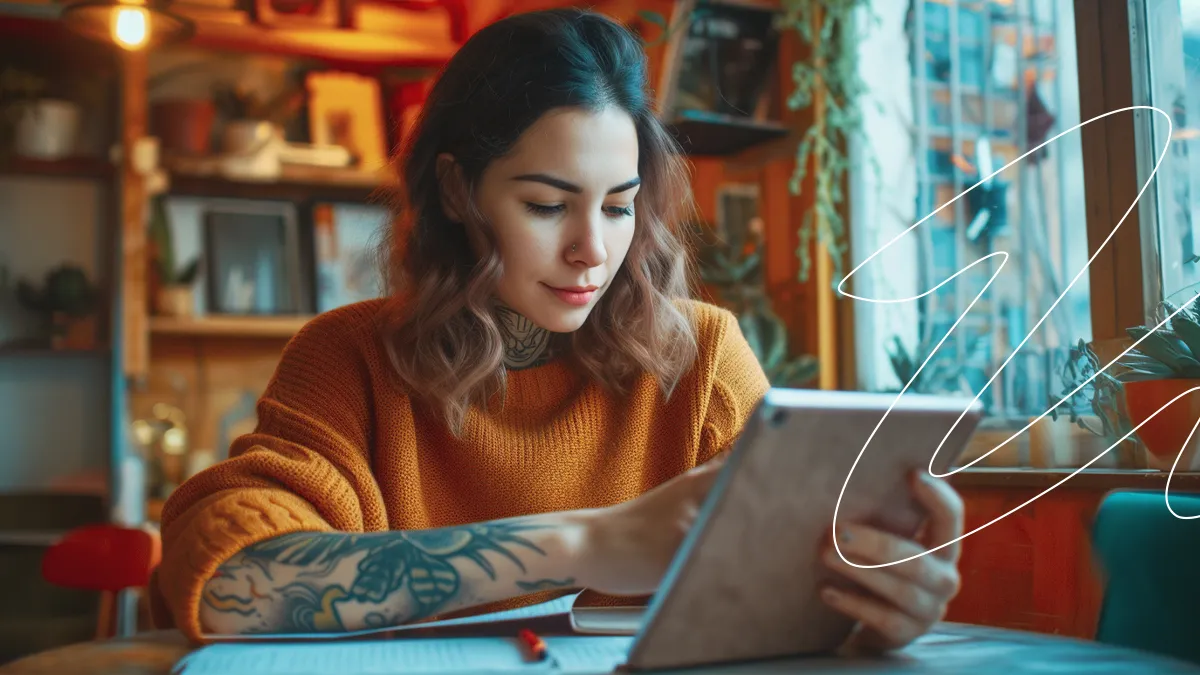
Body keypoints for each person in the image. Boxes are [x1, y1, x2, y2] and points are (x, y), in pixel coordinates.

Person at [154, 7, 964, 652]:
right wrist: (587, 541)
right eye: (546, 205)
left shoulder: (702, 357)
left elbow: (782, 602)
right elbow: (229, 583)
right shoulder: (349, 359)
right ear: (458, 190)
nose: (592, 249)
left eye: (618, 207)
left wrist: (867, 607)